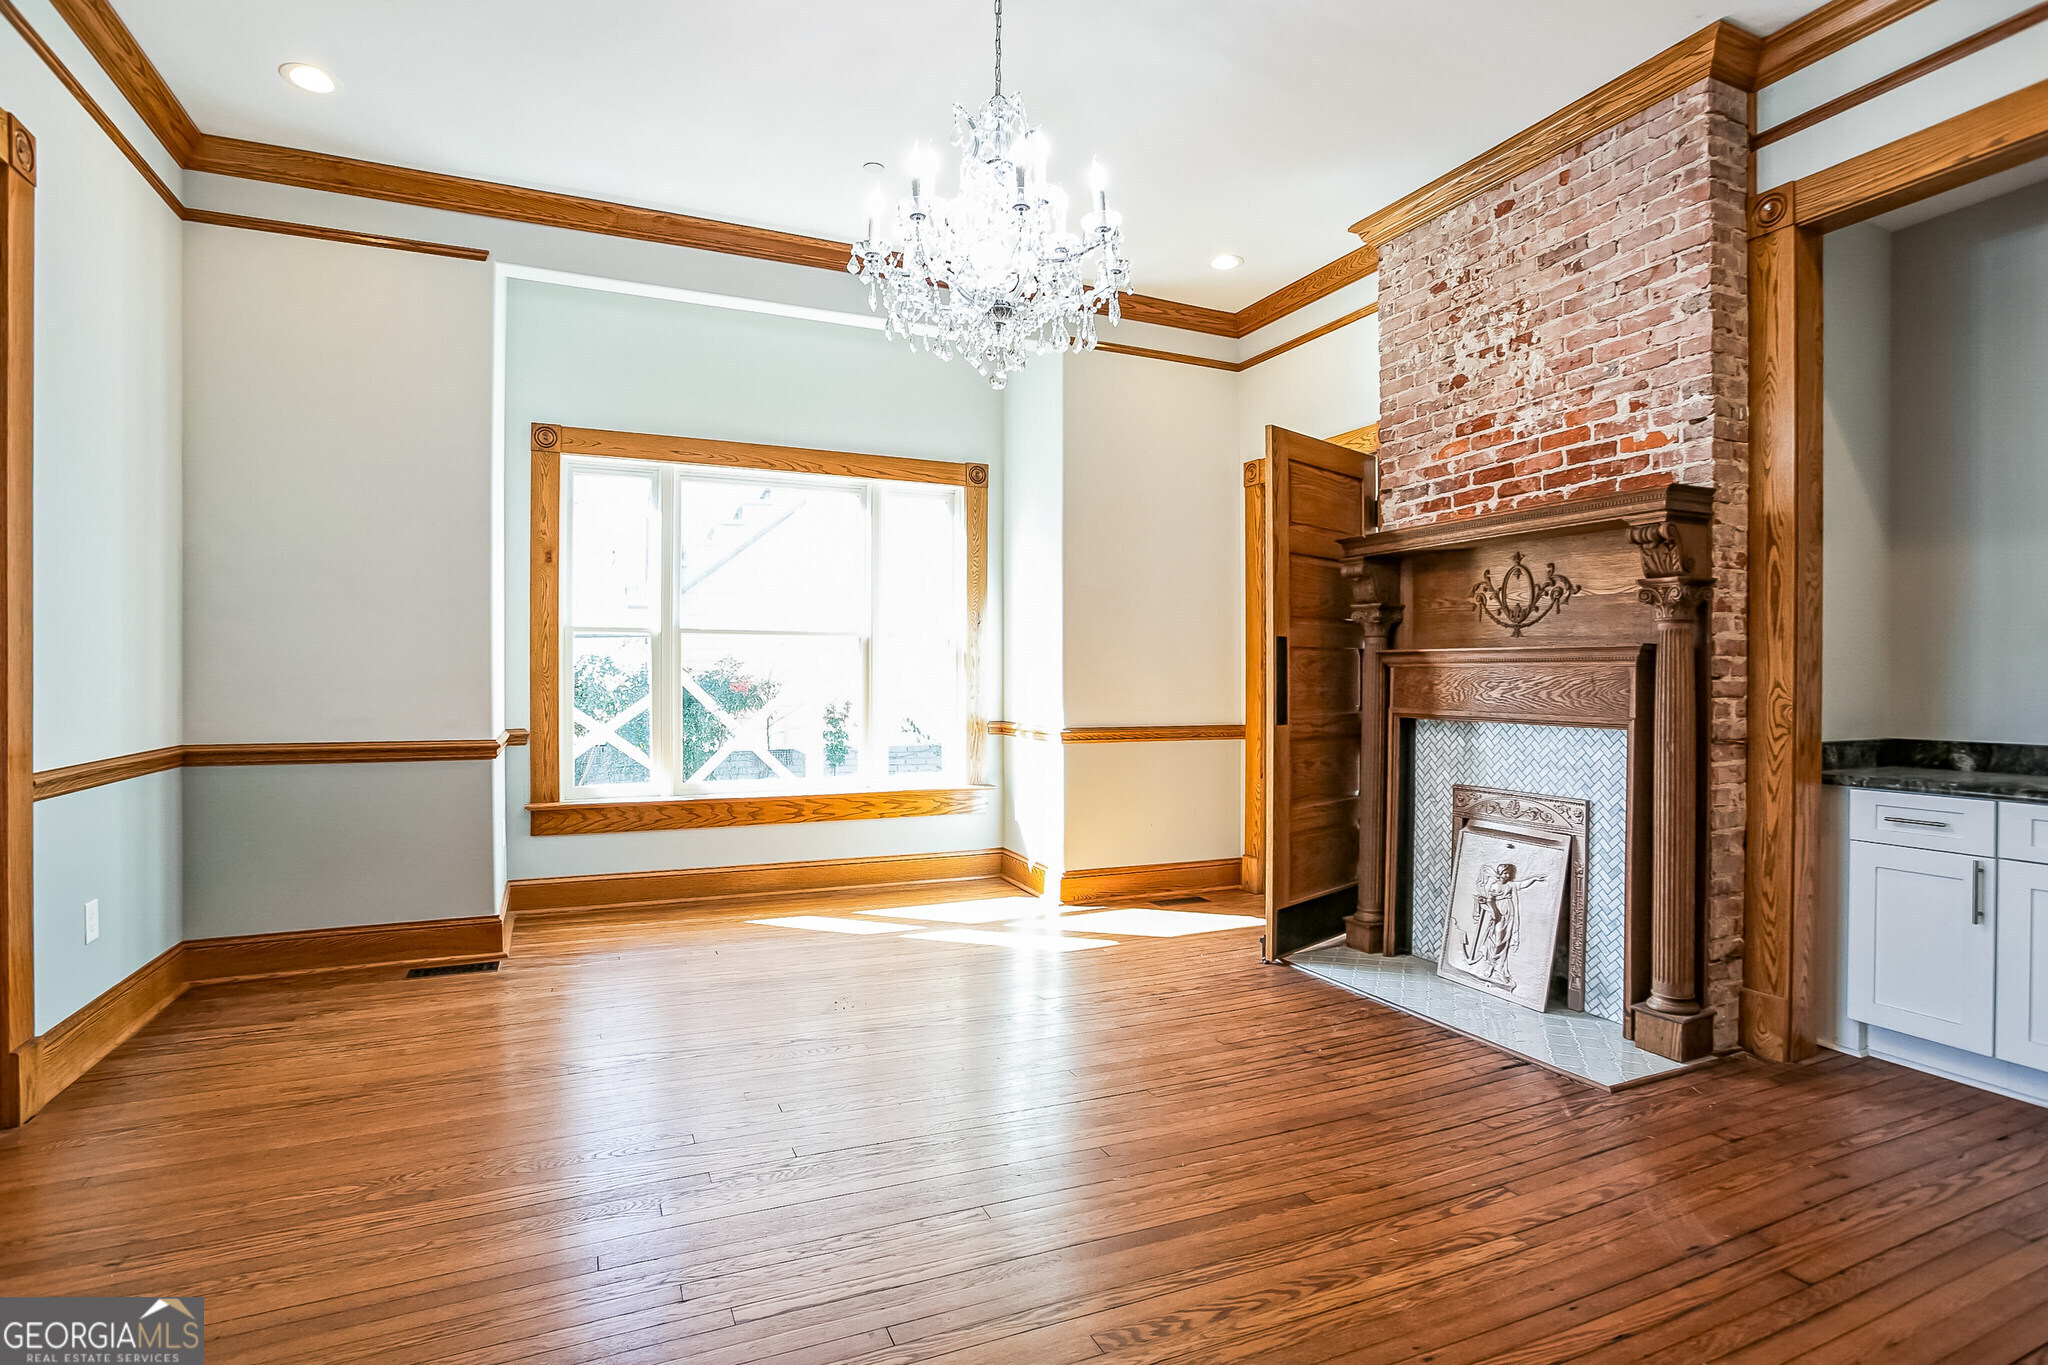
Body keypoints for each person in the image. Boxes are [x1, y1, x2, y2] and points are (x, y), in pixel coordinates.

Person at [1458, 861, 1547, 990]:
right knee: (1496, 940)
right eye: (1505, 873)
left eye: (1509, 874)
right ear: (1499, 873)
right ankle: (1490, 965)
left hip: (1509, 915)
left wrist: (1534, 879)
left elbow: (1521, 884)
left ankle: (1499, 968)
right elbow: (1490, 900)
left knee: (1504, 942)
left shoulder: (1510, 885)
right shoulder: (1494, 886)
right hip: (1498, 914)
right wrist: (1494, 913)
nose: (1507, 876)